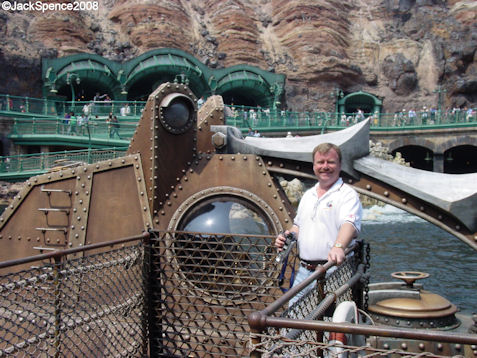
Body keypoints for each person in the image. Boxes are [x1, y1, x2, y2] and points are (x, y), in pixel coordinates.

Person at [275, 143, 362, 304]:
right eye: (320, 162)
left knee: (334, 323)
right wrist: (288, 235)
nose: (325, 167)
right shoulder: (308, 195)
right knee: (294, 318)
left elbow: (349, 224)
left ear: (340, 165)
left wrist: (338, 246)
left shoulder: (347, 195)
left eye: (330, 162)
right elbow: (298, 226)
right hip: (304, 271)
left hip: (334, 270)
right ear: (314, 166)